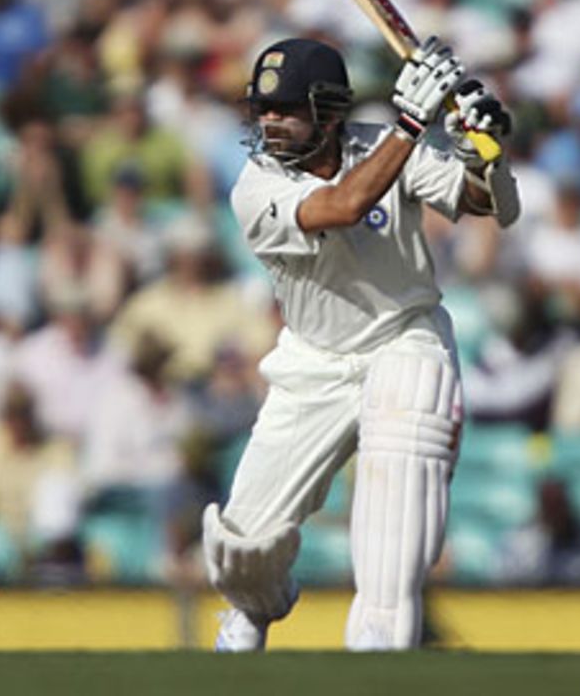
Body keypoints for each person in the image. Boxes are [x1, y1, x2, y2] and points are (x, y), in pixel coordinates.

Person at [203, 36, 518, 651]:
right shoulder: (254, 187)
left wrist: (482, 152)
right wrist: (410, 122)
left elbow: (484, 204)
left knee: (401, 469)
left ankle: (380, 637)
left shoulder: (379, 142)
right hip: (313, 362)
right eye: (263, 110)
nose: (270, 122)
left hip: (405, 338)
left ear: (329, 111)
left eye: (287, 109)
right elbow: (344, 205)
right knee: (239, 549)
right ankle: (254, 610)